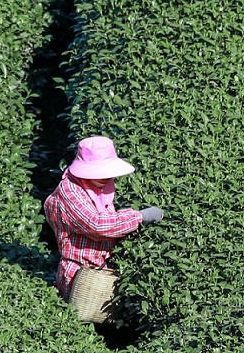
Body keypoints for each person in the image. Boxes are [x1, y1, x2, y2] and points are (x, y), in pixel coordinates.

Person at [43, 136, 163, 325]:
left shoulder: (100, 185)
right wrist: (139, 216)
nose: (106, 177)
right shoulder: (70, 191)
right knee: (80, 324)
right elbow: (97, 224)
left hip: (102, 272)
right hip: (80, 273)